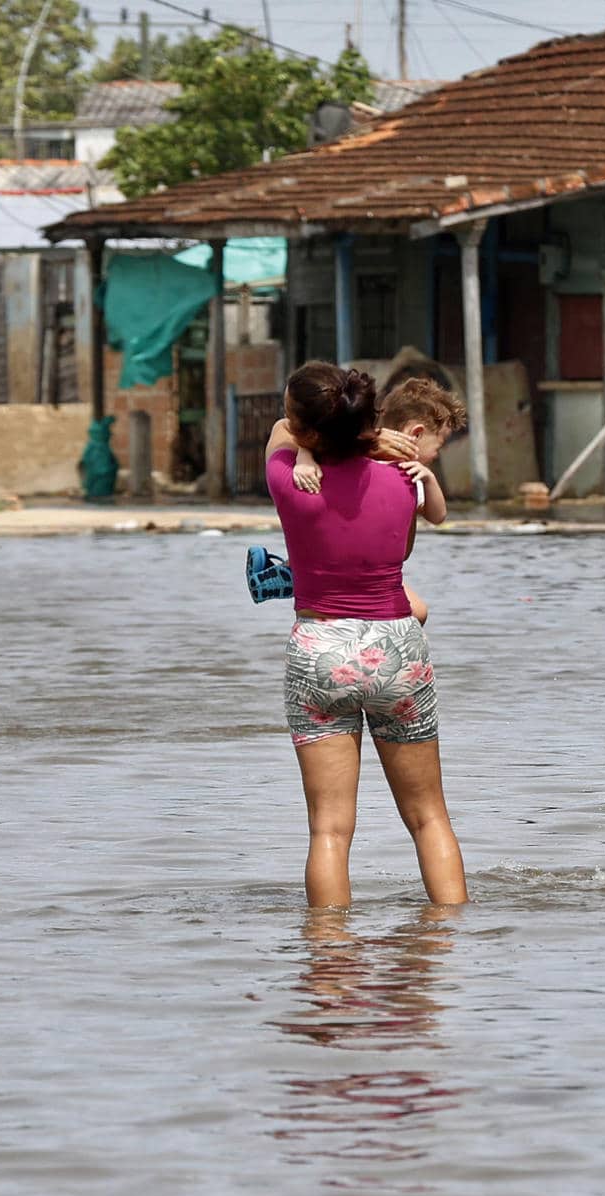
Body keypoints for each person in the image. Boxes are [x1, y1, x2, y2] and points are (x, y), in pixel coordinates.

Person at [265, 362, 469, 909]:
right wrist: (378, 441)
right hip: (397, 648)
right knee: (429, 819)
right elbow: (401, 553)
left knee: (329, 831)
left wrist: (322, 443)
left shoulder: (289, 480)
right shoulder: (404, 481)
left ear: (309, 431)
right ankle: (449, 943)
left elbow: (279, 435)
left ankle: (329, 958)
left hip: (320, 650)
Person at [253, 377, 464, 623]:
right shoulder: (372, 466)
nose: (437, 455)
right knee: (416, 612)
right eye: (439, 446)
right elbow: (296, 430)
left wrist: (428, 481)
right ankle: (290, 570)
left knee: (418, 611)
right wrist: (305, 455)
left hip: (357, 568)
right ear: (416, 434)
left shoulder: (411, 474)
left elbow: (291, 429)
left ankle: (289, 571)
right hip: (350, 570)